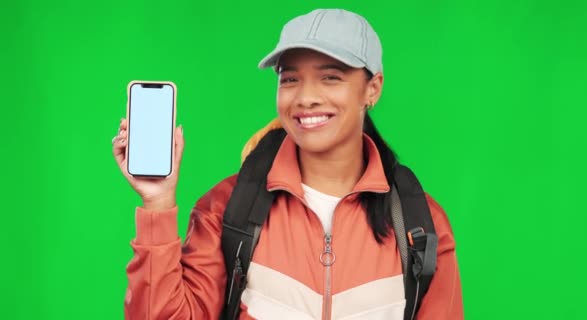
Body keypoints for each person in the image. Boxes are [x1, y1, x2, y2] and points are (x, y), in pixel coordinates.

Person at [113, 8, 463, 320]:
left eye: (331, 77)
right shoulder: (226, 209)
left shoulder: (421, 225)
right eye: (290, 78)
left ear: (372, 89)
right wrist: (157, 203)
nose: (306, 97)